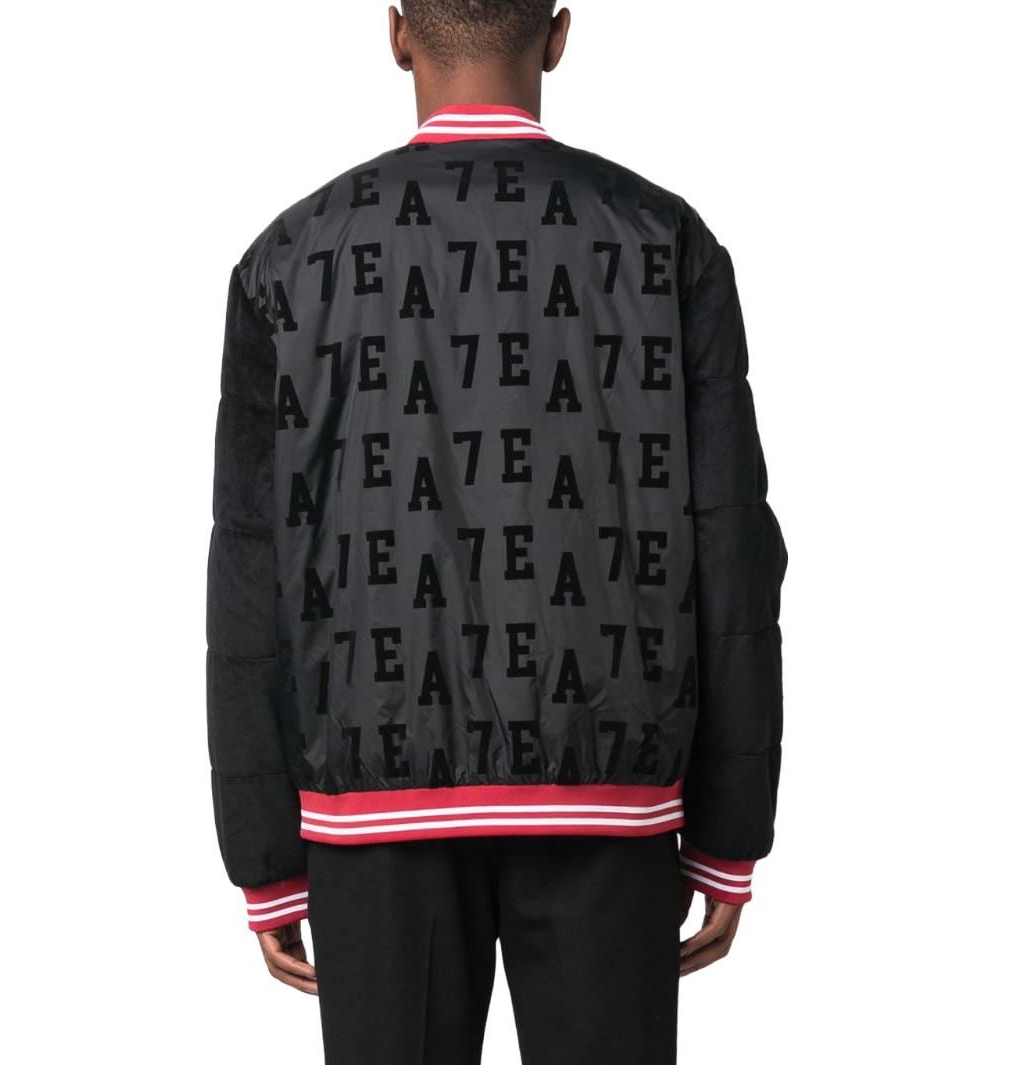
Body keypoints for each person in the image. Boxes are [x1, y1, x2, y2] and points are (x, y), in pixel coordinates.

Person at [206, 3, 787, 1062]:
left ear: (396, 34)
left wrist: (264, 855)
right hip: (608, 784)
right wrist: (729, 832)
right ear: (558, 34)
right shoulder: (665, 242)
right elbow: (733, 548)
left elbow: (250, 562)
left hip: (370, 799)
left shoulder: (288, 259)